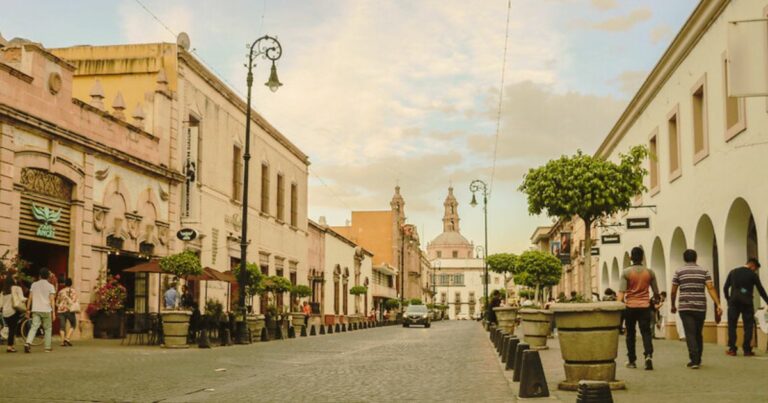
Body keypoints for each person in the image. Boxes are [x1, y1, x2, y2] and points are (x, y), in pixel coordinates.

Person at [670, 250, 722, 368]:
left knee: (690, 333)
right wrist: (718, 304)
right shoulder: (704, 271)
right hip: (700, 307)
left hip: (685, 307)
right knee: (698, 333)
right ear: (696, 258)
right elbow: (711, 288)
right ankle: (698, 358)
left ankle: (694, 360)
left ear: (684, 258)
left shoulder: (679, 271)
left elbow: (673, 291)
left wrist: (673, 305)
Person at [617, 247, 659, 370]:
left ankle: (632, 360)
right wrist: (656, 299)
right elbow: (656, 291)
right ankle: (648, 356)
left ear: (631, 257)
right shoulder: (650, 272)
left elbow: (621, 292)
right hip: (645, 307)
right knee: (646, 332)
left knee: (630, 334)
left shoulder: (626, 272)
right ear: (642, 258)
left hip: (630, 307)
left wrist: (617, 306)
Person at [723, 258, 768, 356]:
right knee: (748, 326)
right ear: (753, 266)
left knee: (732, 325)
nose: (755, 270)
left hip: (733, 302)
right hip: (747, 302)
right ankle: (747, 350)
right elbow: (760, 289)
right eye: (755, 269)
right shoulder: (753, 275)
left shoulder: (733, 272)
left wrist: (728, 299)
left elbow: (725, 287)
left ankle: (732, 349)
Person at [25, 268, 56, 353]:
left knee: (34, 327)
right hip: (46, 309)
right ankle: (47, 347)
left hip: (36, 309)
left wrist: (28, 309)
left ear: (40, 275)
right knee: (48, 328)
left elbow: (30, 298)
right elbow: (52, 300)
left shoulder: (34, 285)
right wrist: (54, 312)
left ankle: (28, 343)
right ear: (48, 276)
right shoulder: (50, 286)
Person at [2, 274, 25, 353]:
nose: (16, 280)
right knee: (12, 329)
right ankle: (10, 346)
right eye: (15, 278)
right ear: (13, 280)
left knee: (9, 328)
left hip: (5, 312)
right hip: (13, 311)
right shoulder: (16, 288)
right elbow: (21, 299)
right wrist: (27, 299)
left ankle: (10, 345)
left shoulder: (4, 291)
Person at [56, 278, 79, 347]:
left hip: (61, 310)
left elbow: (57, 302)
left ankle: (63, 342)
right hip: (69, 310)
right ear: (71, 284)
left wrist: (60, 306)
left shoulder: (60, 291)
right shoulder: (73, 291)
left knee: (62, 326)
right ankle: (67, 338)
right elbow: (74, 301)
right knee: (73, 324)